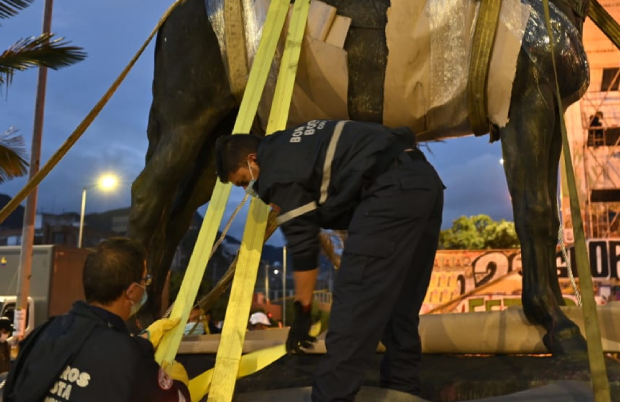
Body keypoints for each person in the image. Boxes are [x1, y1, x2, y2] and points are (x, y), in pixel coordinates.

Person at [216, 120, 444, 402]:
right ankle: (403, 393)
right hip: (422, 182)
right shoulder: (293, 144)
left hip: (388, 190)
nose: (248, 190)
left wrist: (303, 312)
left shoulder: (275, 171)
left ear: (252, 160)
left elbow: (303, 246)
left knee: (353, 306)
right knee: (400, 308)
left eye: (243, 181)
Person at [2, 237, 190, 402]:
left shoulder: (41, 333)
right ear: (132, 291)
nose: (145, 287)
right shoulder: (132, 359)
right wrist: (176, 382)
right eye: (144, 280)